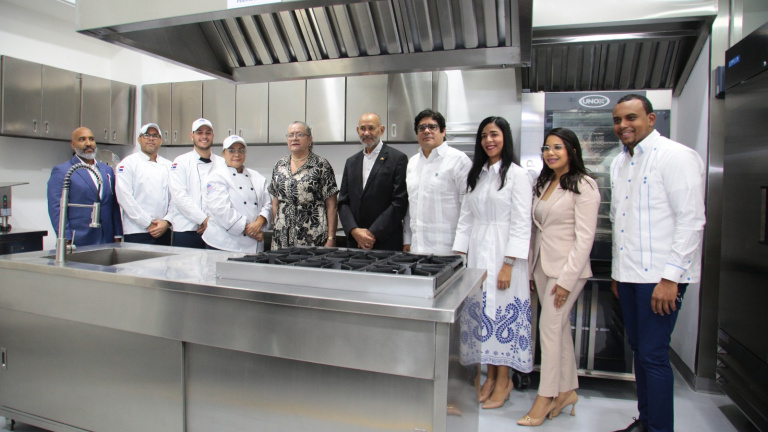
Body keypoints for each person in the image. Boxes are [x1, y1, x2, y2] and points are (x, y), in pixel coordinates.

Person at [609, 94, 705, 432]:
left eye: (631, 118)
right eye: (618, 120)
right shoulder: (619, 163)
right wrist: (618, 274)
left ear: (651, 119)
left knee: (652, 355)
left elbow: (691, 220)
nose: (624, 125)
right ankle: (647, 421)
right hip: (631, 275)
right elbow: (620, 221)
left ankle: (659, 428)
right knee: (639, 352)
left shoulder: (676, 157)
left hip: (662, 278)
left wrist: (671, 279)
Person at [519, 127, 600, 426]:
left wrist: (566, 281)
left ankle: (545, 397)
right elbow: (535, 231)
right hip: (542, 266)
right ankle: (567, 391)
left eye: (557, 148)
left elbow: (585, 239)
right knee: (559, 330)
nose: (550, 153)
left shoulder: (584, 185)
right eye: (546, 148)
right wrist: (530, 268)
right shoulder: (544, 183)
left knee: (549, 331)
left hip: (567, 271)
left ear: (572, 151)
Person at [452, 116, 533, 410]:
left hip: (504, 253)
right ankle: (488, 378)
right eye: (485, 135)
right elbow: (466, 218)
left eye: (495, 135)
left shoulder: (518, 175)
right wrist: (459, 258)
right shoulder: (477, 174)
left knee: (502, 314)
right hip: (477, 250)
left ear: (505, 138)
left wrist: (509, 263)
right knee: (483, 315)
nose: (489, 140)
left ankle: (504, 380)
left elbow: (522, 223)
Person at [403, 109, 472, 255]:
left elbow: (468, 207)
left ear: (443, 131)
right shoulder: (413, 163)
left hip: (448, 249)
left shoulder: (458, 160)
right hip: (417, 248)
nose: (426, 131)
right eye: (422, 128)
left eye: (432, 127)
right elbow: (411, 205)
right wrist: (407, 239)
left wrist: (461, 247)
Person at [338, 112, 409, 251]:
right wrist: (354, 231)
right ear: (358, 131)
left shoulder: (398, 159)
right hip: (355, 243)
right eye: (363, 128)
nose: (366, 133)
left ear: (381, 130)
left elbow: (399, 202)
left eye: (371, 128)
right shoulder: (351, 162)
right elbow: (343, 202)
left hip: (386, 241)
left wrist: (371, 234)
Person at [47, 127, 122, 246]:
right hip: (78, 239)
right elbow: (56, 207)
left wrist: (118, 234)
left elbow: (113, 204)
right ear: (73, 144)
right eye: (82, 139)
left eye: (91, 139)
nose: (88, 143)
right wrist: (65, 238)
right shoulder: (63, 171)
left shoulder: (106, 170)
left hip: (106, 238)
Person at [268, 121, 338, 249]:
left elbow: (332, 205)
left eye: (300, 134)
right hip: (282, 236)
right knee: (280, 268)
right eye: (290, 135)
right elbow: (275, 201)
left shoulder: (321, 165)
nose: (294, 138)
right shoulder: (279, 165)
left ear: (310, 139)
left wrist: (331, 238)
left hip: (312, 235)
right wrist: (278, 224)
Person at [202, 135, 271, 253]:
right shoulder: (216, 176)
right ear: (224, 153)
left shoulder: (256, 177)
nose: (237, 154)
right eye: (231, 150)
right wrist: (250, 231)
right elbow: (221, 210)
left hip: (253, 244)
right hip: (223, 244)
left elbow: (268, 204)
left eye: (241, 150)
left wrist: (259, 223)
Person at [115, 123, 173, 245]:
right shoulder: (127, 164)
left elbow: (176, 198)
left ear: (161, 141)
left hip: (163, 231)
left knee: (164, 264)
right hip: (137, 231)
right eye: (147, 135)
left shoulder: (169, 165)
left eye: (155, 136)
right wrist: (147, 223)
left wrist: (167, 221)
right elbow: (125, 198)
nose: (151, 138)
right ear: (139, 139)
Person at [169, 118, 223, 249]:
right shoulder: (180, 162)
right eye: (199, 133)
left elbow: (224, 197)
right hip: (186, 230)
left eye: (208, 132)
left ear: (213, 136)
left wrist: (211, 222)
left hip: (215, 230)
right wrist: (203, 219)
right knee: (185, 268)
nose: (204, 136)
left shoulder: (222, 163)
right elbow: (179, 196)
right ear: (192, 136)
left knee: (212, 268)